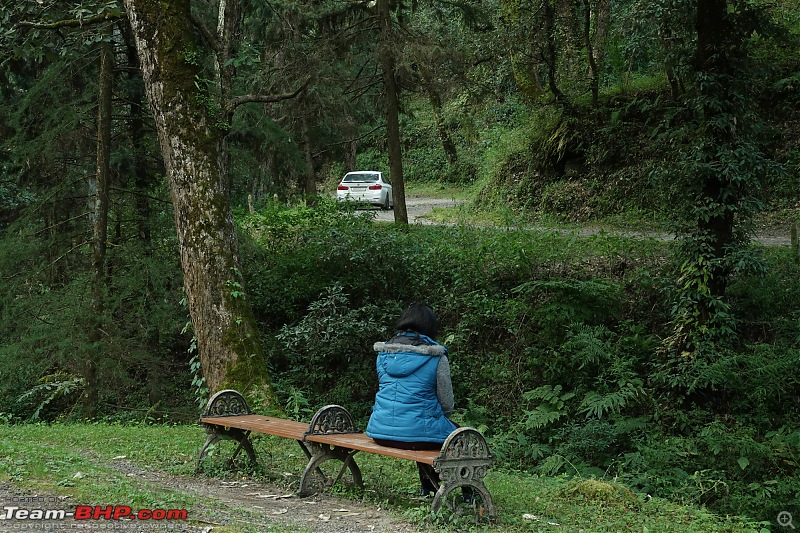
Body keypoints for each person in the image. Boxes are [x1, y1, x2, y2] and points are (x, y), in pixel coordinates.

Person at [365, 302, 458, 497]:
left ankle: (429, 488)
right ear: (430, 326)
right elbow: (447, 403)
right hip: (418, 436)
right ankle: (465, 490)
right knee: (455, 435)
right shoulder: (436, 356)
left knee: (424, 430)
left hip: (380, 432)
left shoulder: (384, 354)